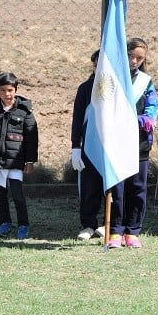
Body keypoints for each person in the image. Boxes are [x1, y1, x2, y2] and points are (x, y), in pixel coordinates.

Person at [106, 37, 158, 249]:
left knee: (137, 187)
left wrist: (137, 121)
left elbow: (152, 109)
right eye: (131, 56)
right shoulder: (113, 79)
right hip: (116, 143)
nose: (134, 61)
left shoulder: (145, 82)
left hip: (139, 143)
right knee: (117, 188)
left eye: (139, 58)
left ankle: (133, 230)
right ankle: (115, 230)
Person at [0, 72, 38, 241]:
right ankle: (5, 223)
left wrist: (30, 161)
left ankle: (23, 224)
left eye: (10, 90)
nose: (7, 94)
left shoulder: (25, 112)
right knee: (0, 195)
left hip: (16, 162)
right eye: (3, 90)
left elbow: (32, 139)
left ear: (15, 90)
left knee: (17, 194)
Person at [71, 49, 106, 240]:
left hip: (109, 146)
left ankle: (108, 223)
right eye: (95, 64)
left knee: (110, 186)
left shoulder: (116, 86)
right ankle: (88, 224)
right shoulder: (85, 88)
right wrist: (76, 146)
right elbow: (77, 119)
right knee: (89, 186)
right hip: (88, 146)